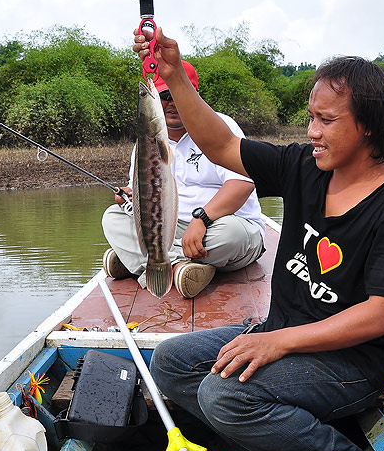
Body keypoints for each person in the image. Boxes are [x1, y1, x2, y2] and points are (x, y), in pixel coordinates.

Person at [135, 28, 384, 451]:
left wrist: (278, 342)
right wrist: (173, 75)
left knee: (224, 396)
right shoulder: (305, 166)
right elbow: (220, 146)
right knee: (170, 362)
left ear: (367, 126)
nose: (312, 131)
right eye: (310, 118)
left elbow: (381, 316)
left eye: (327, 120)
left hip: (350, 364)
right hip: (281, 333)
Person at [101, 60, 266, 298]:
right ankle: (178, 267)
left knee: (231, 235)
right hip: (171, 230)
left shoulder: (220, 125)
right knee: (113, 217)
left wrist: (202, 220)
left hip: (221, 225)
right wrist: (130, 196)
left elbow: (242, 183)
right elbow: (147, 194)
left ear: (192, 95)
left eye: (178, 93)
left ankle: (139, 260)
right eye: (164, 96)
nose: (172, 103)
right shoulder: (146, 142)